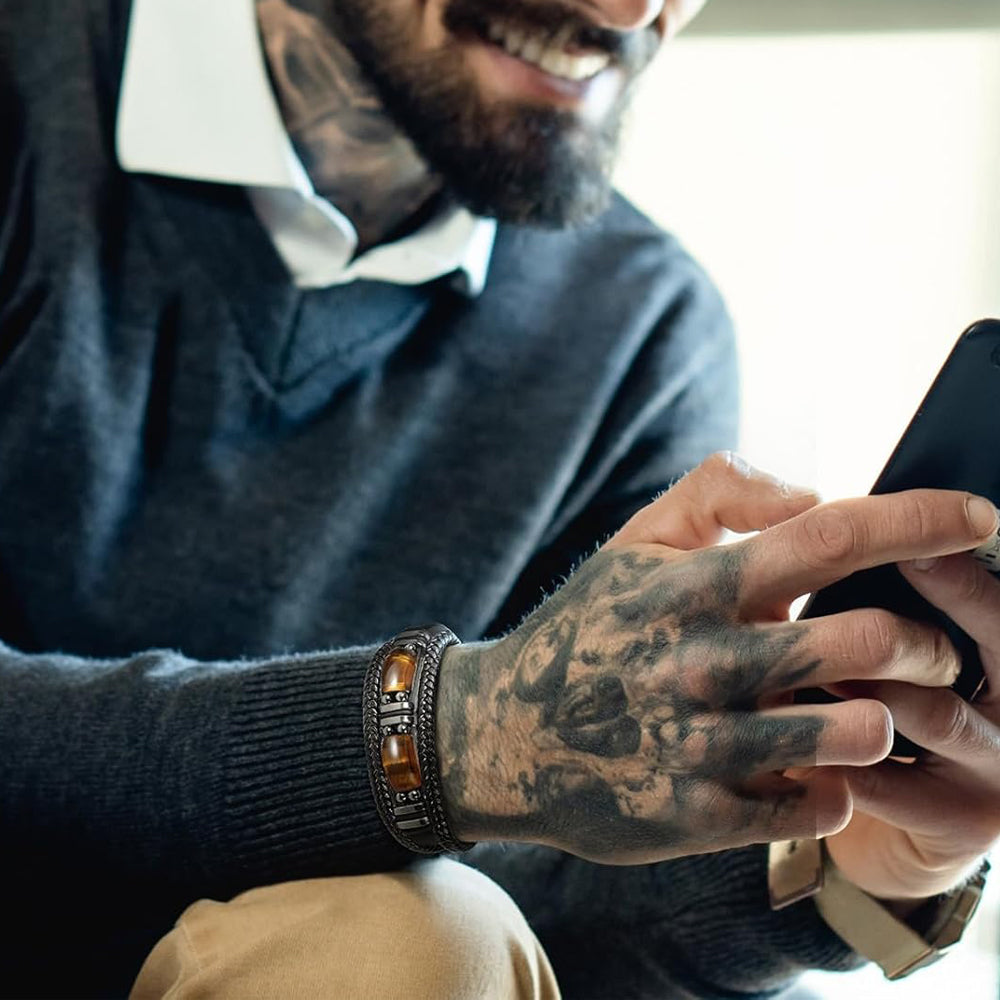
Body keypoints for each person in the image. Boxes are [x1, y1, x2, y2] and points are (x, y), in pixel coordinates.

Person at [1, 0, 998, 996]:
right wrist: (440, 733)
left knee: (426, 935)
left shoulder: (636, 329)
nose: (634, 9)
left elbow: (532, 921)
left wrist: (841, 864)